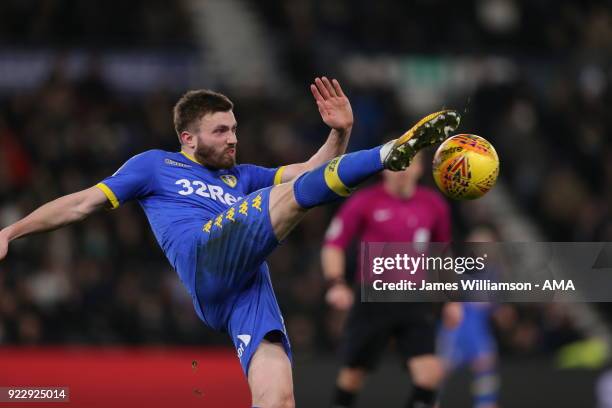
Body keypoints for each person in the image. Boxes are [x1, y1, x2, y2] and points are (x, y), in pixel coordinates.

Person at [0, 76, 460, 408]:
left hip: (244, 286)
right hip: (205, 256)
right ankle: (390, 152)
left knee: (278, 396)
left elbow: (310, 175)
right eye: (221, 130)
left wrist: (339, 133)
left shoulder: (241, 177)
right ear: (188, 137)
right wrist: (10, 231)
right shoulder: (154, 165)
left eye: (235, 129)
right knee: (281, 198)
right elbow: (81, 204)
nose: (233, 138)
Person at [321, 152, 462, 408]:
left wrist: (451, 298)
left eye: (410, 163)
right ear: (385, 168)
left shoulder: (434, 204)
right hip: (373, 298)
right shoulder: (365, 201)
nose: (403, 170)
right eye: (398, 163)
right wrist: (336, 283)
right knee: (353, 375)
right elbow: (334, 244)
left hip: (414, 299)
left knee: (430, 375)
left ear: (421, 168)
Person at [437, 226, 501, 408]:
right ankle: (430, 401)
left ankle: (486, 404)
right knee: (441, 369)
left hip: (478, 329)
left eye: (488, 244)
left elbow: (492, 304)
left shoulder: (494, 273)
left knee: (486, 364)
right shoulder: (459, 267)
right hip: (457, 328)